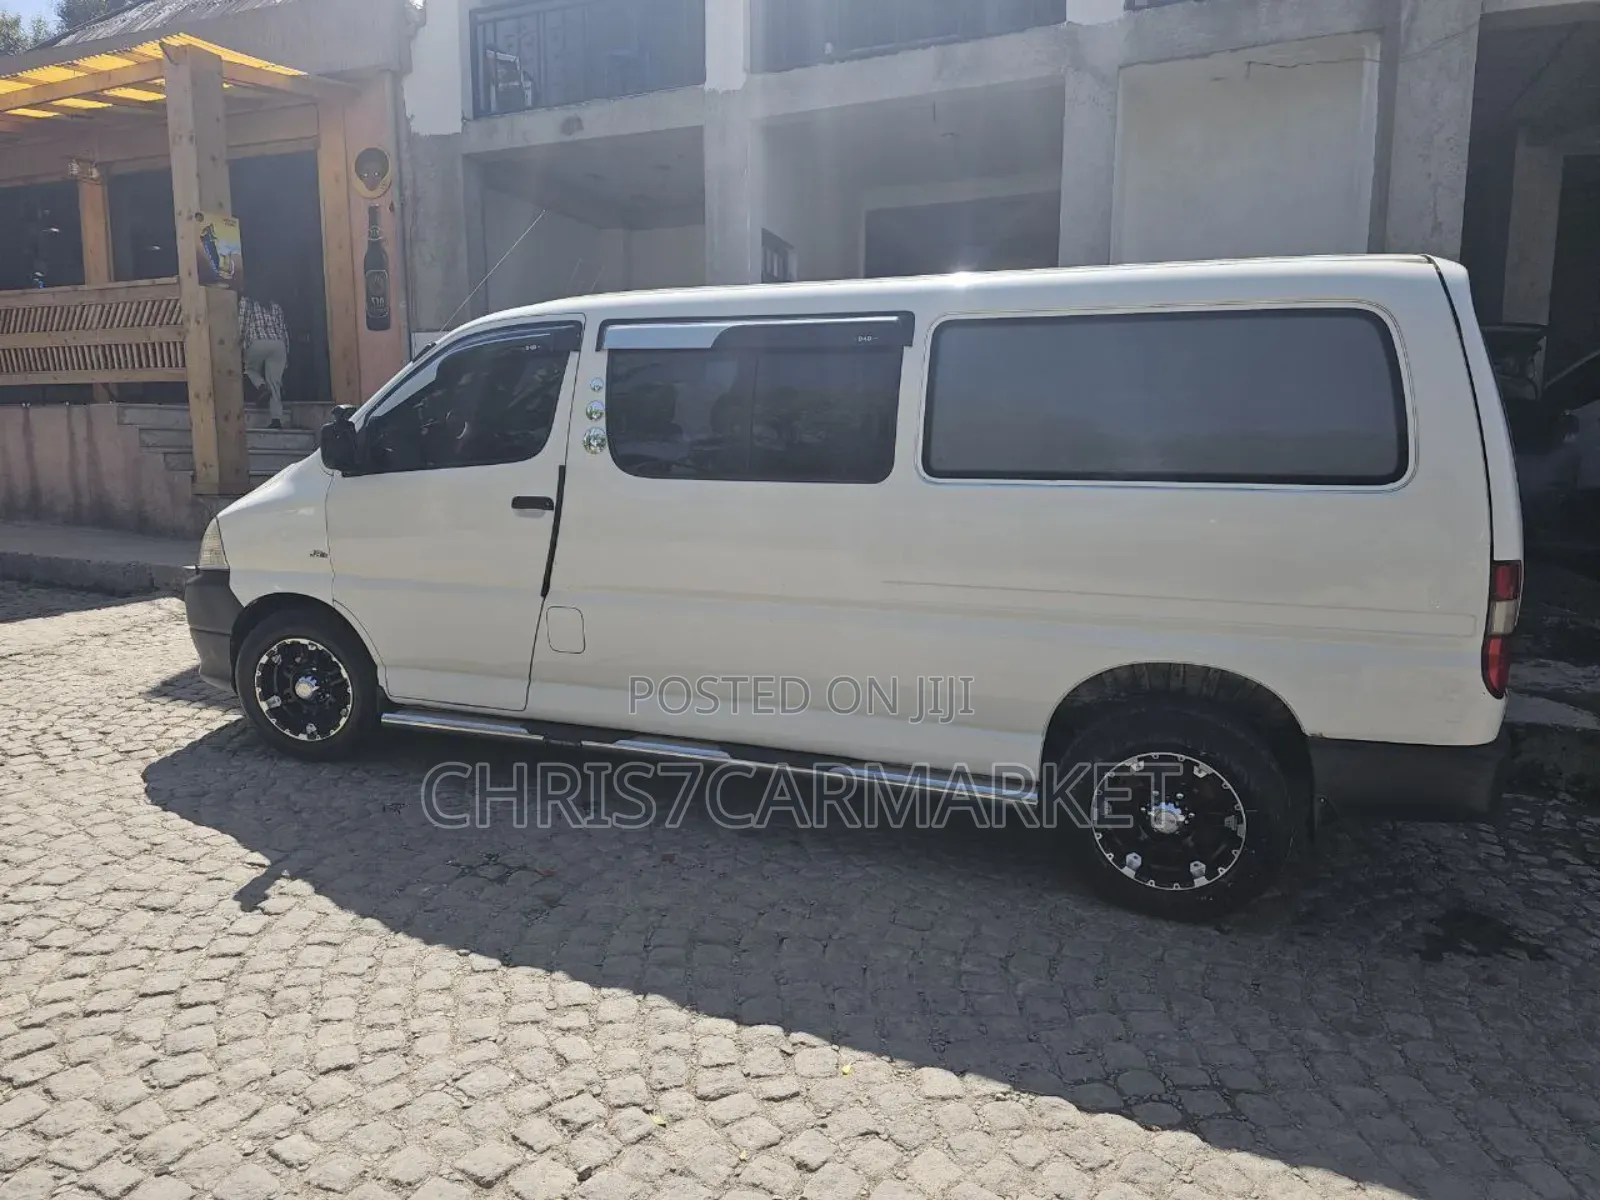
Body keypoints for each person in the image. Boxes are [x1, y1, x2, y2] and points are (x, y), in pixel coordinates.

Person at [239, 290, 289, 429]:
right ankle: (276, 420)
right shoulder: (275, 307)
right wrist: (286, 356)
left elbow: (241, 325)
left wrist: (239, 345)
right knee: (275, 383)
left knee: (250, 369)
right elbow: (283, 331)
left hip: (257, 342)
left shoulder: (247, 302)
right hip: (278, 345)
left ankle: (261, 386)